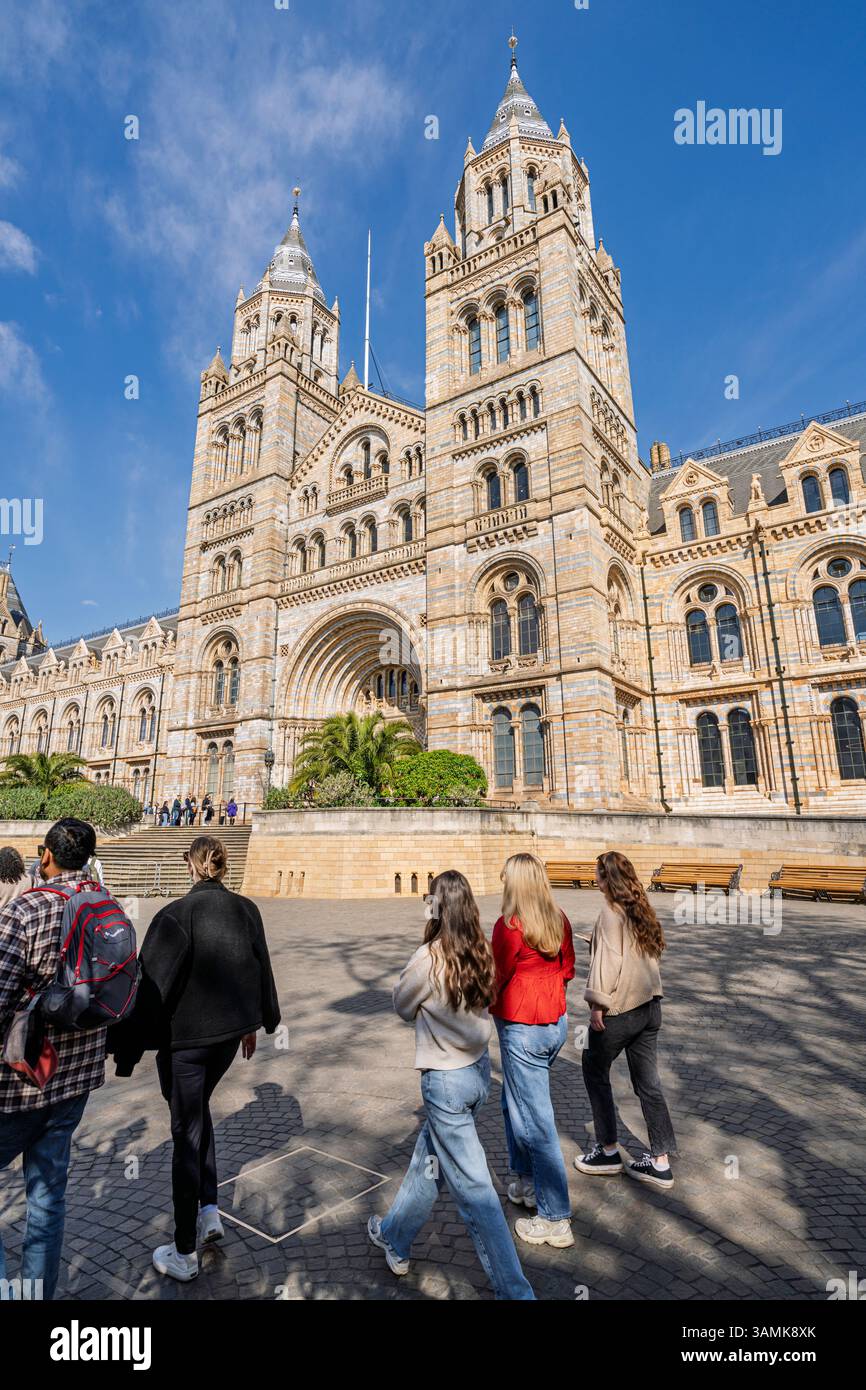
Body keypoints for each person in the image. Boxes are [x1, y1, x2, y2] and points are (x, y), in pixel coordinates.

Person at [110, 835, 281, 1282]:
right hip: (226, 1039)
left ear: (190, 865)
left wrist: (125, 1050)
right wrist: (257, 1022)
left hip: (185, 1045)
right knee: (197, 1114)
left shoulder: (175, 915)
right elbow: (257, 967)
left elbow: (149, 989)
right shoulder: (247, 909)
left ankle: (185, 1250)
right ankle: (209, 1210)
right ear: (222, 867)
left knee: (185, 1133)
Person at [368, 870, 534, 1300]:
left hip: (445, 1082)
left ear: (436, 906)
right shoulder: (480, 948)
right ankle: (394, 1235)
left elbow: (402, 1004)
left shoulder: (429, 956)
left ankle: (515, 1292)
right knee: (429, 1162)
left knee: (476, 1194)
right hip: (478, 1074)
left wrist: (424, 941)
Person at [0, 819, 108, 1300]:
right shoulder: (106, 906)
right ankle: (35, 1294)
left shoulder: (25, 909)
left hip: (18, 1082)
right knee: (47, 1197)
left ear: (45, 856)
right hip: (76, 1079)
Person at [575, 851, 677, 1189]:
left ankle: (607, 1150)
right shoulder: (639, 907)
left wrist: (596, 1005)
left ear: (607, 879)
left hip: (622, 1009)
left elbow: (609, 963)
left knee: (593, 1068)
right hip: (650, 1006)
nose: (594, 879)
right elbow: (632, 953)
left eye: (597, 874)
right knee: (649, 1083)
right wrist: (596, 943)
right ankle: (661, 1160)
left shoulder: (609, 913)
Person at [491, 852, 575, 1250]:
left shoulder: (509, 928)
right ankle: (525, 1180)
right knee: (514, 1104)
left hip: (522, 1028)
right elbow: (569, 969)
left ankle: (556, 1216)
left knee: (538, 1122)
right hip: (553, 1023)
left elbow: (498, 976)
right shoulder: (559, 920)